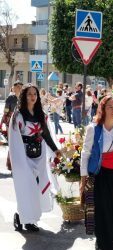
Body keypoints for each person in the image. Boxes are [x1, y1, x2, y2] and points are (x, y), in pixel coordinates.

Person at [80, 95, 113, 250]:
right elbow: (85, 154)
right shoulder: (94, 129)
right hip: (101, 177)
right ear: (102, 109)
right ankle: (104, 245)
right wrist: (83, 180)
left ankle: (105, 242)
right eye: (109, 107)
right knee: (103, 214)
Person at [8, 84, 61, 232]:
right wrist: (18, 162)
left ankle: (29, 220)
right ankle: (21, 216)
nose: (32, 97)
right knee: (26, 189)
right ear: (24, 96)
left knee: (36, 190)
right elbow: (14, 138)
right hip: (23, 157)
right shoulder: (18, 115)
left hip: (38, 156)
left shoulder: (40, 114)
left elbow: (45, 134)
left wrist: (55, 150)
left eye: (35, 94)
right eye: (29, 94)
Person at [1, 80, 23, 170]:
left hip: (20, 123)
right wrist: (6, 120)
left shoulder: (23, 98)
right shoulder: (10, 98)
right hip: (10, 122)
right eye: (18, 87)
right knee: (12, 143)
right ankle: (10, 163)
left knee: (19, 143)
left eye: (21, 87)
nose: (20, 88)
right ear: (14, 88)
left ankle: (18, 163)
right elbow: (5, 110)